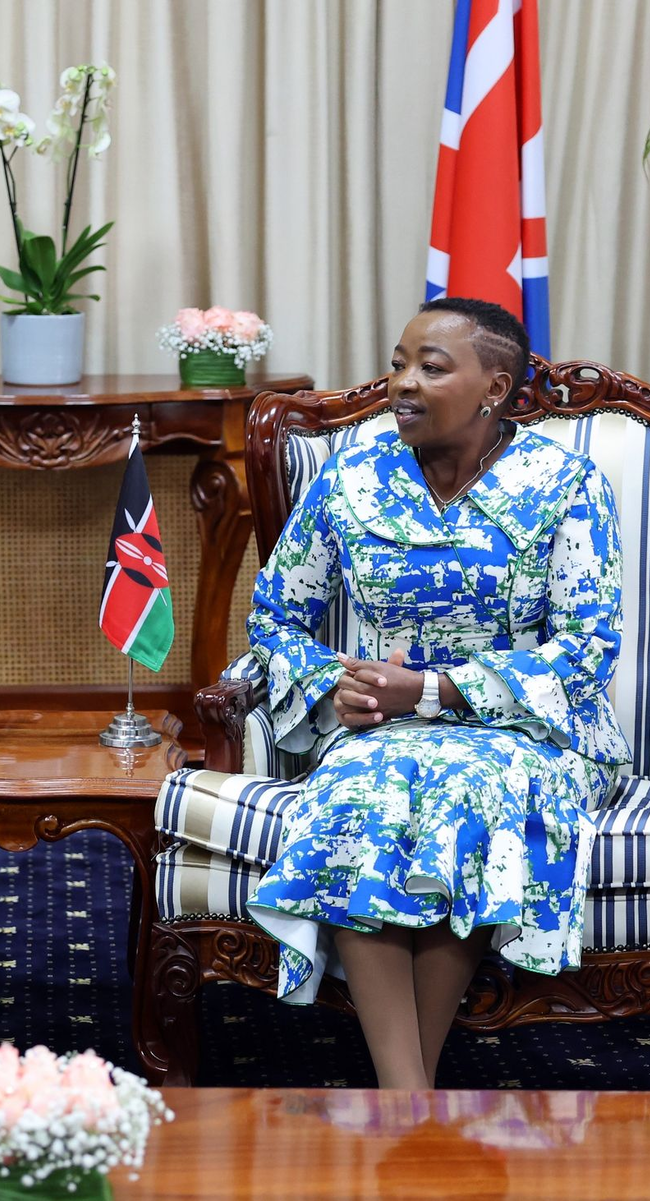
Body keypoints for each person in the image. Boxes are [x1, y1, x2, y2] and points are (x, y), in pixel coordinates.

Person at [245, 297, 628, 1089]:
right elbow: (276, 614)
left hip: (529, 733)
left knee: (466, 786)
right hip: (379, 733)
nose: (402, 383)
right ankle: (410, 1099)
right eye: (397, 362)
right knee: (359, 790)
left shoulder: (565, 482)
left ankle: (403, 1100)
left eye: (430, 366)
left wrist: (439, 689)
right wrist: (330, 686)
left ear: (494, 386)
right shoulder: (352, 477)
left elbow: (589, 644)